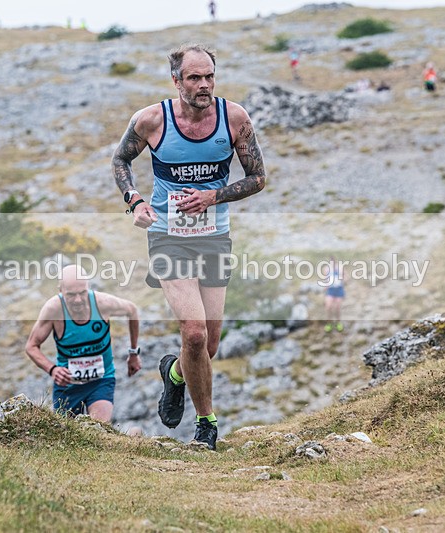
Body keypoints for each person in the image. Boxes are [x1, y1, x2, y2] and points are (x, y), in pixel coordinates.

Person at [111, 43, 267, 450]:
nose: (204, 85)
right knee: (194, 334)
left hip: (214, 236)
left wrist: (212, 197)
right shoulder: (151, 120)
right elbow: (120, 162)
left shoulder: (234, 118)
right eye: (194, 77)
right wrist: (135, 201)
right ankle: (207, 424)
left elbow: (258, 178)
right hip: (167, 236)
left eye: (209, 76)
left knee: (209, 345)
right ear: (176, 80)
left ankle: (176, 374)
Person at [25, 265, 142, 423]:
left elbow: (132, 310)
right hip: (68, 385)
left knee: (98, 429)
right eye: (71, 295)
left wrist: (133, 353)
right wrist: (52, 369)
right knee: (66, 438)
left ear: (88, 287)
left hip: (101, 380)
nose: (78, 300)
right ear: (60, 291)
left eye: (82, 293)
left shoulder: (102, 303)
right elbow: (31, 346)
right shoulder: (53, 310)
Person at [322, 258, 345, 333]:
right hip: (330, 290)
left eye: (333, 263)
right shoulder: (326, 269)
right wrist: (325, 285)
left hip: (339, 289)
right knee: (328, 307)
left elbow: (346, 277)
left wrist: (342, 279)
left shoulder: (340, 268)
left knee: (337, 307)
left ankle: (338, 323)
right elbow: (325, 279)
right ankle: (329, 323)